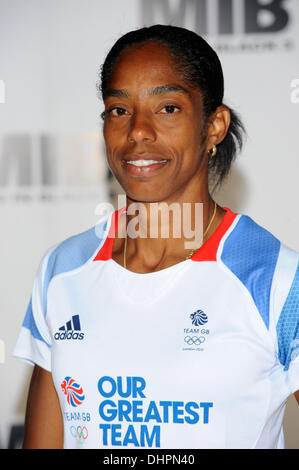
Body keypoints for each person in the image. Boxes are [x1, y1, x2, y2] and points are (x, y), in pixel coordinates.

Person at [13, 24, 299, 449]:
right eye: (119, 110)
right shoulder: (63, 270)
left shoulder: (275, 279)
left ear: (215, 126)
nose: (138, 131)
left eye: (167, 108)